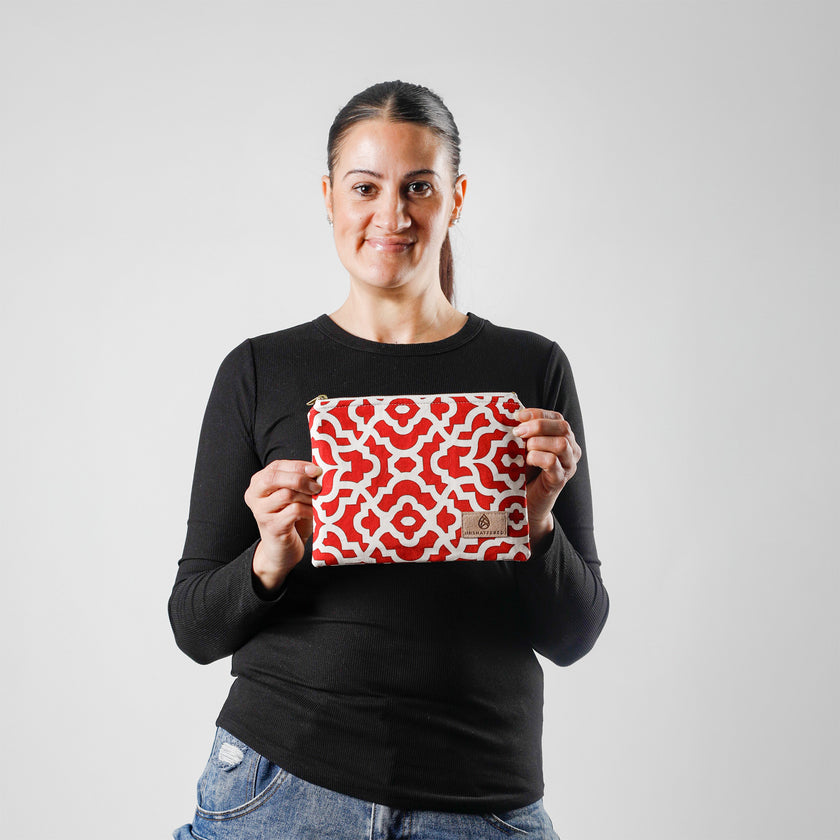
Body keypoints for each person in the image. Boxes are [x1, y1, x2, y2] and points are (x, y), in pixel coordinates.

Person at [169, 80, 609, 840]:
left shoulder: (531, 369)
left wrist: (535, 526)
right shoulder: (259, 371)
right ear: (329, 196)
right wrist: (270, 557)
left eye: (419, 188)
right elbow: (194, 626)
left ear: (457, 197)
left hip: (480, 796)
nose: (392, 215)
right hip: (280, 786)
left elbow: (575, 635)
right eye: (365, 187)